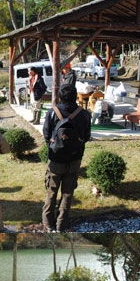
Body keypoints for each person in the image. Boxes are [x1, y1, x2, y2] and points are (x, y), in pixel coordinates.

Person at [41, 83, 92, 232]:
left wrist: (54, 145)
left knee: (51, 192)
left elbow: (46, 135)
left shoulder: (52, 112)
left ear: (60, 96)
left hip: (56, 159)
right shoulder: (84, 114)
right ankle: (61, 224)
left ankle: (48, 224)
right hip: (75, 159)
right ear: (75, 96)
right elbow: (87, 136)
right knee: (68, 193)